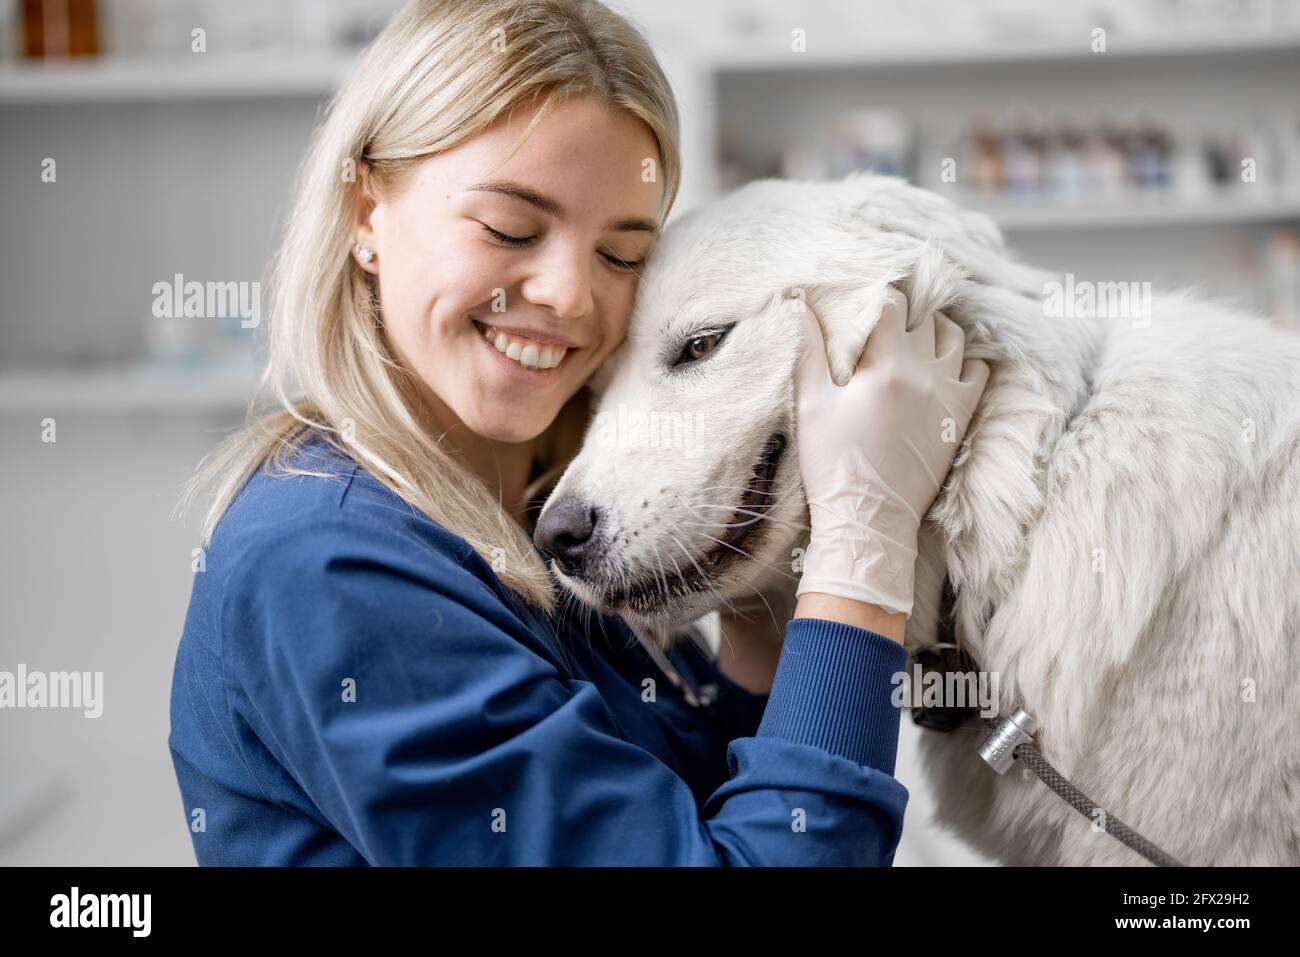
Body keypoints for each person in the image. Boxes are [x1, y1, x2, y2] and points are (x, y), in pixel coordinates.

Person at [167, 0, 988, 866]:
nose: (570, 294)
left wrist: (757, 597)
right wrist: (865, 544)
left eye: (621, 254)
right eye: (510, 228)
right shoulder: (324, 566)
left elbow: (707, 805)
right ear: (366, 211)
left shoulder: (532, 506)